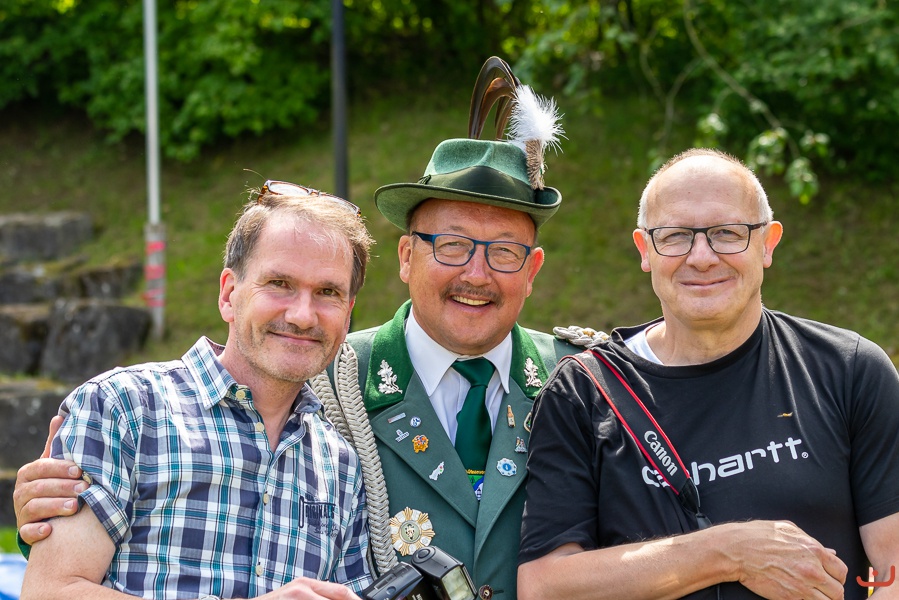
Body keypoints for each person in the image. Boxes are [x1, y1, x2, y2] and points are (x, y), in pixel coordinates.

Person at [14, 57, 588, 600]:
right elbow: (56, 583)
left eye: (504, 251)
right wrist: (56, 515)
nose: (302, 315)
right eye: (453, 245)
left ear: (533, 269)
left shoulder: (581, 384)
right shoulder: (318, 386)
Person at [517, 148, 899, 600]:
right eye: (676, 236)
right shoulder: (583, 392)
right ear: (645, 250)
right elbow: (544, 587)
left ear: (768, 243)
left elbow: (893, 567)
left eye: (727, 233)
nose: (701, 257)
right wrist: (727, 552)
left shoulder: (849, 370)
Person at [18, 182, 375, 600]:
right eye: (279, 283)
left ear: (348, 314)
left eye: (328, 292)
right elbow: (50, 592)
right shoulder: (123, 408)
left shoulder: (340, 464)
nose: (302, 315)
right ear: (229, 294)